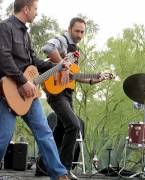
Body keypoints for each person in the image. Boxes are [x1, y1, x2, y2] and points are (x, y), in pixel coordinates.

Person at [0, 0, 70, 179]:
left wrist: (57, 65)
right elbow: (4, 57)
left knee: (44, 131)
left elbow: (34, 61)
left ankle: (59, 174)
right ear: (26, 9)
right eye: (35, 9)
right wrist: (23, 81)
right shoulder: (5, 27)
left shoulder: (26, 34)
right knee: (4, 137)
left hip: (29, 95)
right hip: (7, 93)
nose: (37, 13)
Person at [41, 17, 106, 180]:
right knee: (74, 125)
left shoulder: (75, 48)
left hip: (67, 93)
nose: (79, 34)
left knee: (62, 129)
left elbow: (73, 75)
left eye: (82, 32)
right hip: (56, 93)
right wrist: (63, 65)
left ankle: (44, 166)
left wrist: (93, 79)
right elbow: (47, 48)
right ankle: (64, 169)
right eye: (77, 31)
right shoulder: (63, 40)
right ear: (69, 29)